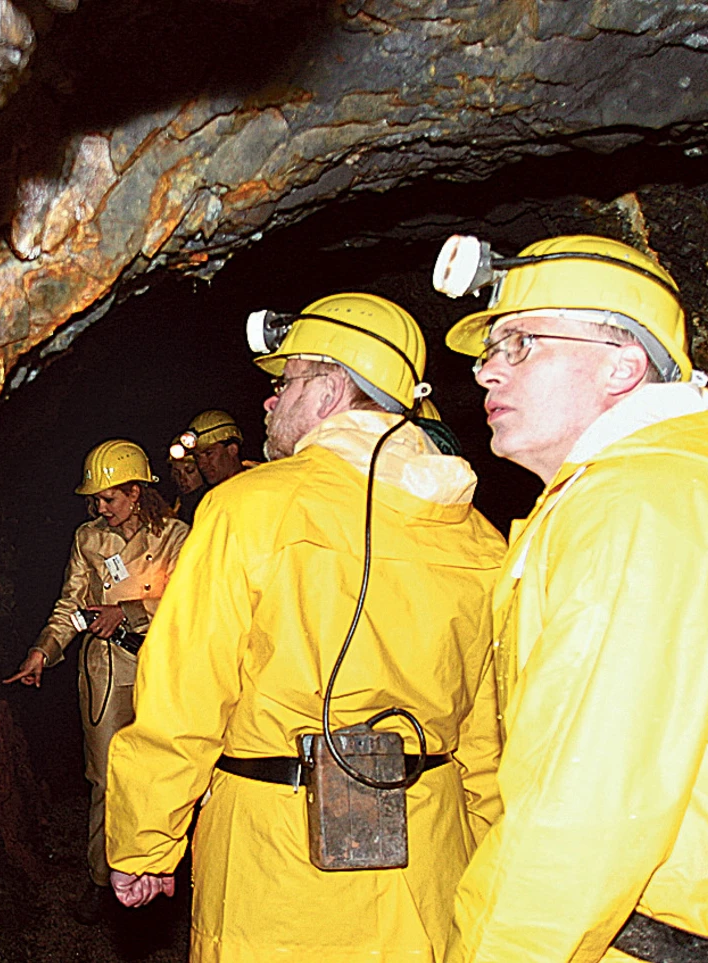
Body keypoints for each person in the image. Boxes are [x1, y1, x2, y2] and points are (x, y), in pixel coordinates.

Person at [431, 234, 708, 962]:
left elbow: (584, 807)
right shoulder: (676, 487)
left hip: (675, 938)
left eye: (522, 343)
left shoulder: (650, 505)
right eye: (491, 348)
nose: (488, 370)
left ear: (623, 365)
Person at [105, 293, 506, 961]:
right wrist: (490, 861)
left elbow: (186, 692)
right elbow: (488, 740)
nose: (267, 402)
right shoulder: (479, 539)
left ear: (327, 392)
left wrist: (146, 838)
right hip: (430, 865)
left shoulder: (248, 509)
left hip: (280, 862)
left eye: (282, 383)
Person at [3, 439, 190, 924]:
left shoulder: (176, 536)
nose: (99, 508)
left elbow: (191, 602)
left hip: (161, 669)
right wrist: (43, 650)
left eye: (108, 498)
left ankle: (167, 877)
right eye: (96, 500)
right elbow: (70, 604)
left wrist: (127, 611)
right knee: (105, 779)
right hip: (105, 671)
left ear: (134, 490)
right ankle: (103, 883)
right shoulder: (90, 539)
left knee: (165, 773)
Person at [177, 410, 252, 486]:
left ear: (232, 449)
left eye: (209, 454)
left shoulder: (258, 484)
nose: (201, 465)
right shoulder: (212, 496)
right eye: (197, 457)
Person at [166, 445, 207, 524]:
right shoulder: (176, 506)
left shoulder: (212, 501)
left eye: (189, 471)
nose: (182, 479)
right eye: (176, 473)